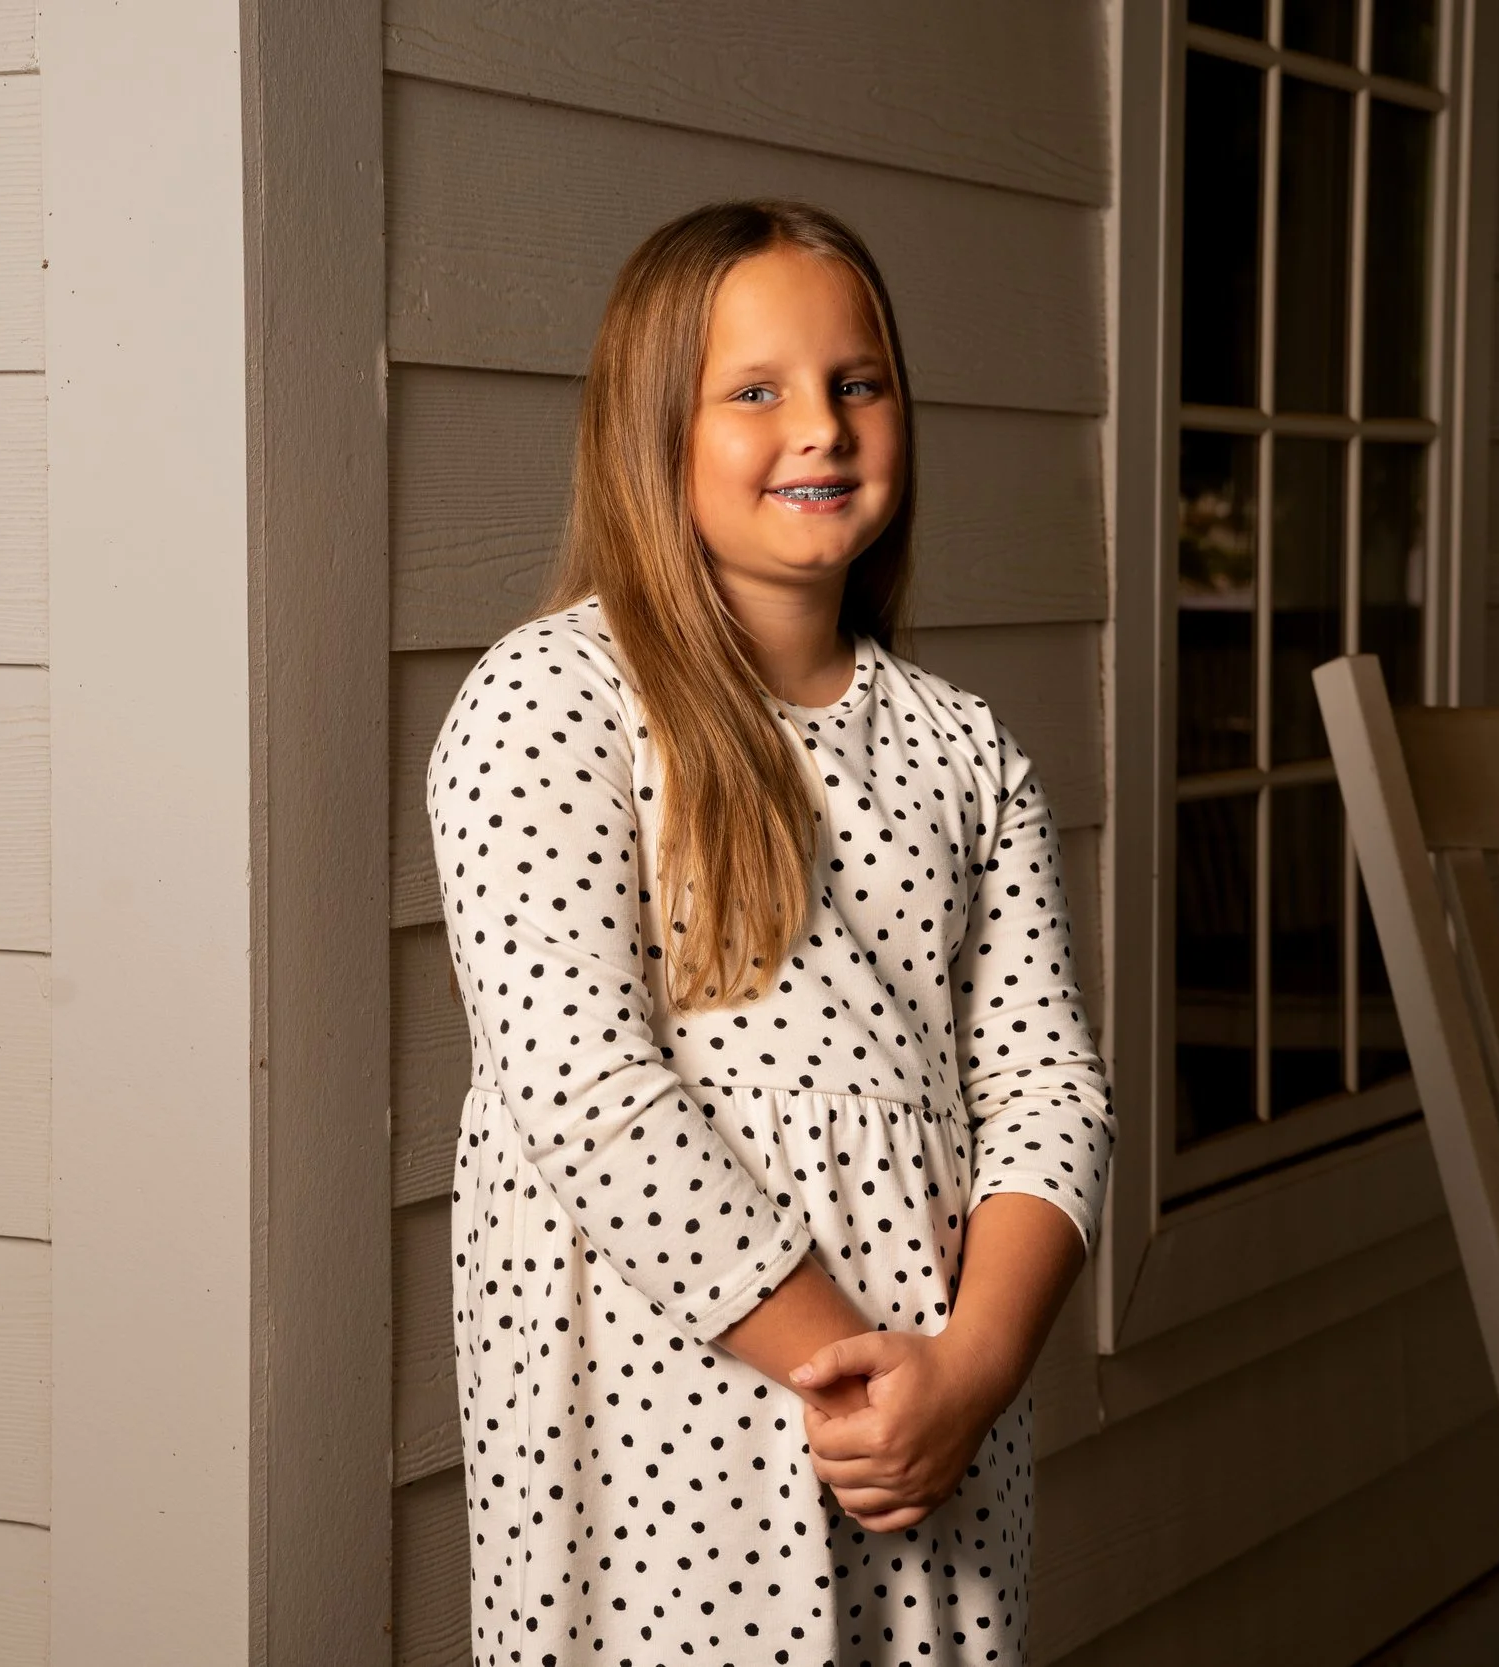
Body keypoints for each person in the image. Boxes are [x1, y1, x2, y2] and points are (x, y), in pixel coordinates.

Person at [427, 197, 1116, 1667]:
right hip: (665, 1410)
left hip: (928, 1421)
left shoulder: (962, 751)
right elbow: (584, 1087)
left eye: (857, 382)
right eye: (757, 391)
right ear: (651, 429)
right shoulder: (552, 707)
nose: (823, 426)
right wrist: (837, 1370)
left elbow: (1052, 1092)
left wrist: (967, 1371)